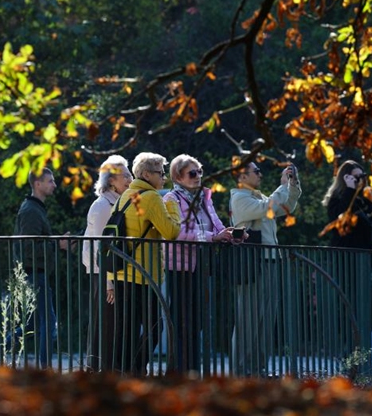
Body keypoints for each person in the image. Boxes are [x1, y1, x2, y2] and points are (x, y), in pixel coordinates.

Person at [104, 152, 181, 375]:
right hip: (142, 275)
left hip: (121, 272)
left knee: (125, 329)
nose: (164, 178)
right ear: (146, 174)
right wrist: (173, 208)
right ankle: (135, 369)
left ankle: (121, 371)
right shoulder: (151, 197)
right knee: (154, 328)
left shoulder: (125, 196)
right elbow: (171, 231)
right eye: (160, 173)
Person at [0, 167, 72, 368]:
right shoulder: (30, 211)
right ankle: (44, 368)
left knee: (33, 324)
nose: (54, 185)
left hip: (35, 273)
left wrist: (57, 243)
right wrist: (57, 244)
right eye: (50, 181)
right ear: (38, 184)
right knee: (48, 322)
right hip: (34, 274)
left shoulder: (34, 209)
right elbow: (28, 248)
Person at [162, 154, 234, 374]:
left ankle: (191, 370)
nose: (198, 177)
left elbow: (215, 224)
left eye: (200, 172)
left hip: (201, 265)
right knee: (182, 320)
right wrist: (213, 237)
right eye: (192, 173)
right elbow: (177, 233)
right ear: (177, 176)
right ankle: (178, 371)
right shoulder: (171, 199)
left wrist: (229, 234)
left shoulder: (204, 197)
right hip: (180, 266)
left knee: (197, 322)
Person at [229, 162, 301, 376]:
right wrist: (281, 186)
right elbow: (267, 208)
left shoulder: (259, 197)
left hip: (268, 261)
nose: (260, 174)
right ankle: (240, 371)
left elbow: (287, 206)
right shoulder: (239, 197)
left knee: (266, 320)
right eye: (256, 171)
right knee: (248, 319)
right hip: (253, 263)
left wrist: (292, 184)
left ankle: (257, 368)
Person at [81, 155, 132, 371]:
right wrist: (109, 283)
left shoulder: (118, 202)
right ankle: (99, 369)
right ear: (111, 180)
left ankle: (109, 368)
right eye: (125, 175)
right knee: (105, 324)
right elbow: (102, 250)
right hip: (103, 274)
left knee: (113, 324)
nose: (130, 178)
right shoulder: (103, 205)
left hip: (111, 273)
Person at [322, 160, 372, 249]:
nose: (360, 180)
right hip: (345, 252)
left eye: (362, 176)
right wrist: (349, 190)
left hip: (364, 251)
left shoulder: (364, 199)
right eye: (356, 177)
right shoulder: (336, 198)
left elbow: (370, 222)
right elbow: (340, 216)